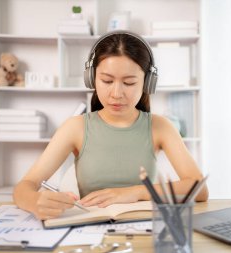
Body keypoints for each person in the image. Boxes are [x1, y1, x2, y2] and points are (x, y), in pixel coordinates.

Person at [13, 30, 208, 220]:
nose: (116, 93)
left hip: (143, 230)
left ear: (147, 83)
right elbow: (25, 186)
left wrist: (134, 192)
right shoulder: (75, 127)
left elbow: (199, 189)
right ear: (92, 79)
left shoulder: (160, 127)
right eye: (106, 80)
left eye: (129, 83)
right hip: (89, 231)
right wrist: (34, 201)